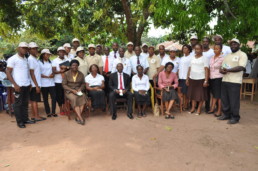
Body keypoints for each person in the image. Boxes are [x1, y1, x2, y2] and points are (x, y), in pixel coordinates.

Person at [218, 38, 248, 124]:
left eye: (235, 44)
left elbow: (241, 67)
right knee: (225, 99)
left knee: (234, 100)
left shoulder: (242, 54)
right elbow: (222, 66)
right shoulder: (227, 55)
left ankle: (235, 117)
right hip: (225, 80)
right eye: (231, 44)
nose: (233, 45)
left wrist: (228, 70)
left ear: (239, 45)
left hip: (235, 81)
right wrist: (221, 70)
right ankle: (226, 114)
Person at [6, 42, 35, 128]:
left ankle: (25, 119)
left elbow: (26, 72)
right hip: (18, 86)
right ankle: (19, 122)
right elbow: (8, 72)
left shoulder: (25, 59)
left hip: (26, 85)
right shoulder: (13, 59)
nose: (25, 49)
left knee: (25, 103)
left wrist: (29, 82)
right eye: (23, 48)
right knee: (18, 104)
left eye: (26, 48)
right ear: (19, 48)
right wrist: (15, 85)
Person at [186, 44, 209, 115]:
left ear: (202, 49)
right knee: (193, 94)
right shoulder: (192, 58)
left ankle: (199, 109)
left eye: (198, 49)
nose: (196, 50)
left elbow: (206, 70)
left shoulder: (205, 58)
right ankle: (193, 108)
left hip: (201, 78)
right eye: (195, 49)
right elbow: (189, 68)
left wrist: (206, 80)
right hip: (192, 78)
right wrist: (187, 78)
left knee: (201, 95)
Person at [62, 60, 87, 125]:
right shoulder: (66, 74)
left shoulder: (81, 74)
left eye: (76, 65)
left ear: (78, 66)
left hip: (78, 91)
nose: (74, 66)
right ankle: (80, 118)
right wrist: (71, 90)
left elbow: (83, 84)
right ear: (70, 66)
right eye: (73, 65)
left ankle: (78, 117)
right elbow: (64, 84)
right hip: (69, 91)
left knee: (83, 96)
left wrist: (80, 89)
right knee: (74, 98)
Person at [28, 42, 46, 122]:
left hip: (36, 83)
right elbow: (32, 73)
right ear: (29, 50)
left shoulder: (34, 58)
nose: (35, 50)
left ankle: (34, 115)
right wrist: (36, 85)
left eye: (36, 48)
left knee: (33, 100)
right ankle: (36, 116)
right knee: (34, 100)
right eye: (33, 49)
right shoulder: (31, 59)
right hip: (34, 84)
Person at [39, 49, 57, 117]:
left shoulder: (51, 62)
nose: (48, 56)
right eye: (47, 54)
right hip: (43, 83)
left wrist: (53, 74)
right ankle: (48, 112)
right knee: (45, 98)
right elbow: (38, 73)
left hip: (51, 83)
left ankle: (53, 112)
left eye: (49, 54)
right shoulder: (39, 62)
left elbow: (53, 70)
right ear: (43, 55)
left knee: (54, 97)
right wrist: (47, 76)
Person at [52, 47, 69, 115]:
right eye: (60, 52)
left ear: (64, 53)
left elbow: (70, 68)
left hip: (66, 80)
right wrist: (60, 71)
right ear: (58, 53)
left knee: (66, 95)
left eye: (63, 52)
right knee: (59, 95)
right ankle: (61, 109)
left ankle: (65, 108)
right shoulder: (55, 60)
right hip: (58, 81)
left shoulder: (67, 59)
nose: (62, 53)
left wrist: (67, 67)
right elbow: (53, 71)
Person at [208, 44, 224, 117]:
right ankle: (212, 108)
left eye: (217, 49)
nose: (215, 50)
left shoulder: (223, 58)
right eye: (214, 49)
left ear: (220, 50)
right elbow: (209, 68)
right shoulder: (211, 58)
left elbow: (225, 68)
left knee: (219, 95)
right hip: (212, 78)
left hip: (219, 78)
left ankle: (219, 111)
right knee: (214, 94)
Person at [202, 37, 214, 112]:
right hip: (200, 74)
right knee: (199, 90)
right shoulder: (200, 51)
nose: (205, 43)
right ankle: (196, 106)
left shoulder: (212, 52)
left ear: (209, 42)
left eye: (206, 41)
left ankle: (207, 107)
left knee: (208, 91)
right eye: (203, 41)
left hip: (209, 74)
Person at [178, 44, 192, 110]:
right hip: (181, 77)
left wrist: (187, 78)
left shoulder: (191, 58)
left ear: (189, 50)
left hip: (186, 78)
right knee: (182, 92)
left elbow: (190, 68)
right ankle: (183, 104)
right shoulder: (181, 58)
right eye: (183, 48)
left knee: (186, 93)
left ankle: (186, 105)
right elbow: (179, 68)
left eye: (186, 48)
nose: (184, 49)